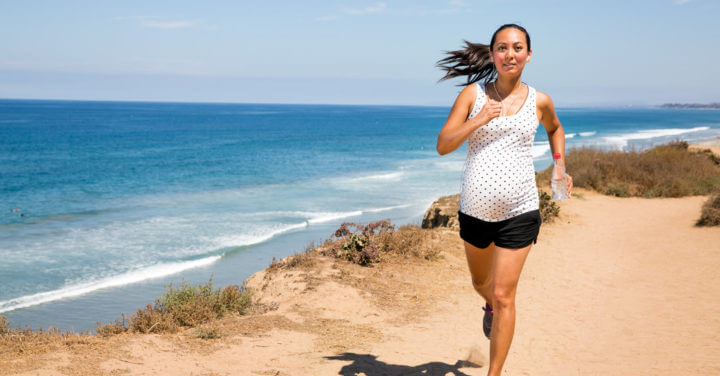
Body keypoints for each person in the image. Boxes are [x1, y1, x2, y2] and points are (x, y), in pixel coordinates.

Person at [435, 24, 573, 375]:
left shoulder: (540, 100)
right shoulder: (473, 95)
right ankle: (489, 308)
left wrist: (559, 166)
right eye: (502, 48)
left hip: (520, 210)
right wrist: (478, 120)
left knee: (504, 294)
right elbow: (443, 144)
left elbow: (555, 129)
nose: (510, 54)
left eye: (517, 48)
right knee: (482, 285)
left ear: (528, 54)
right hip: (475, 212)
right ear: (493, 53)